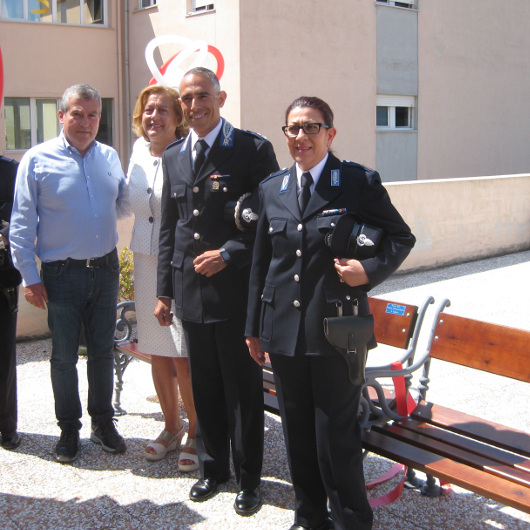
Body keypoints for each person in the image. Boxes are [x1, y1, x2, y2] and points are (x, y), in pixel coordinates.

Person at [245, 96, 416, 530]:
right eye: (292, 129)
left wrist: (369, 271)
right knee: (297, 433)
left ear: (330, 133)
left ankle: (352, 521)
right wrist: (253, 328)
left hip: (339, 332)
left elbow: (401, 236)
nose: (300, 137)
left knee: (335, 435)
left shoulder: (356, 181)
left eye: (310, 128)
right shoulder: (272, 189)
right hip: (283, 331)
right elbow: (261, 265)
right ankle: (309, 518)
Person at [155, 67, 279, 516]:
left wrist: (229, 251)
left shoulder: (250, 149)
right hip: (190, 293)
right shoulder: (173, 155)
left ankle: (250, 479)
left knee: (243, 391)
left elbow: (272, 221)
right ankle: (213, 469)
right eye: (186, 98)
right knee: (204, 386)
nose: (194, 105)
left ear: (221, 97)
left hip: (236, 291)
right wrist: (165, 291)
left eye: (202, 95)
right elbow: (171, 227)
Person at [10, 84, 131, 463]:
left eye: (93, 114)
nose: (86, 121)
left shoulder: (109, 157)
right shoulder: (38, 159)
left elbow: (126, 205)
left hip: (106, 269)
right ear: (61, 116)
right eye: (77, 113)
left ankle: (103, 423)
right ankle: (68, 429)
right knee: (63, 356)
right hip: (61, 275)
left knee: (101, 351)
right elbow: (21, 223)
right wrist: (30, 277)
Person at [127, 84, 199, 471]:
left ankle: (196, 431)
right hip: (144, 259)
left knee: (183, 354)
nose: (154, 116)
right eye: (148, 109)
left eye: (163, 110)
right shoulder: (137, 153)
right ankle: (171, 427)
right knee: (157, 351)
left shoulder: (186, 154)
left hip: (177, 264)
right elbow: (125, 201)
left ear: (178, 118)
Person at [0, 155, 22, 451]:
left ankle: (6, 426)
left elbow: (23, 214)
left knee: (3, 354)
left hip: (2, 274)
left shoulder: (9, 170)